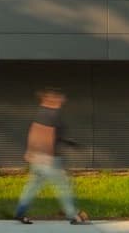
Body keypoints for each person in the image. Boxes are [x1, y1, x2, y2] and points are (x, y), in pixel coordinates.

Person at [14, 88, 90, 225]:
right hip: (49, 159)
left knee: (32, 186)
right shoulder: (53, 114)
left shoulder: (41, 112)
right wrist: (49, 156)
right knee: (64, 186)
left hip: (38, 158)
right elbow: (47, 134)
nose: (62, 99)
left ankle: (20, 212)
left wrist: (31, 151)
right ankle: (73, 215)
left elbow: (34, 132)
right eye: (59, 97)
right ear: (51, 99)